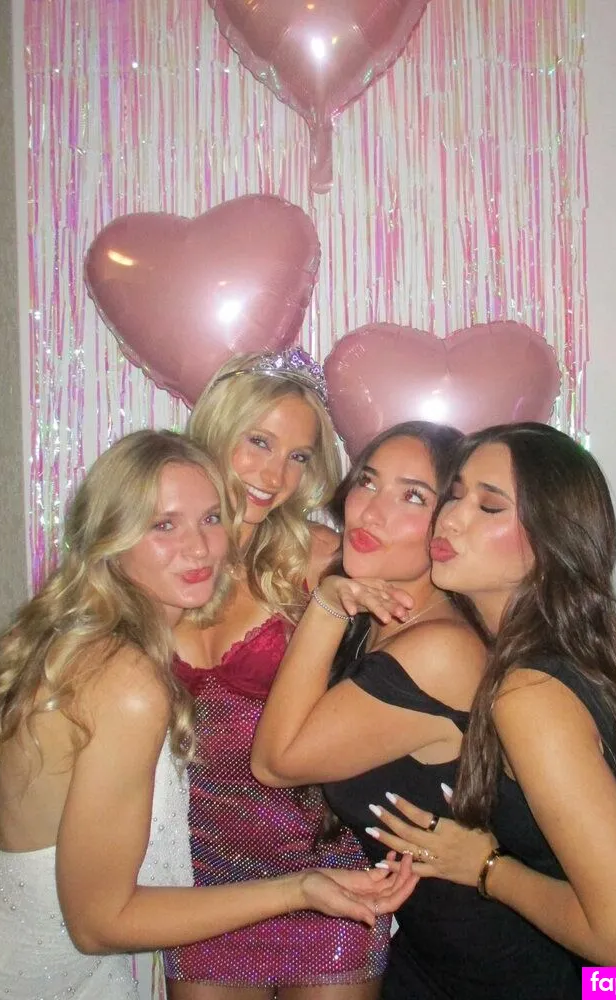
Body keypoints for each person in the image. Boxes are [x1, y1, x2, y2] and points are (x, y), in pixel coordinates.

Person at [0, 430, 415, 1000]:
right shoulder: (125, 680)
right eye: (164, 525)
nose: (200, 548)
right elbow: (99, 924)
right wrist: (299, 890)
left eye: (210, 519)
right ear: (109, 537)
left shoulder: (101, 642)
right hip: (10, 983)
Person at [369, 422, 616, 994]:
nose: (451, 518)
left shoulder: (529, 695)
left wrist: (486, 867)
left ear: (551, 538)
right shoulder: (605, 635)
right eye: (455, 494)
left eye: (490, 507)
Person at [163, 350, 394, 1000]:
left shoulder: (324, 559)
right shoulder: (158, 557)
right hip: (204, 882)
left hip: (328, 876)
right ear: (214, 433)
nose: (276, 476)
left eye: (298, 456)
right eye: (258, 442)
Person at [251, 420, 497, 1000]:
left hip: (500, 967)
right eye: (367, 481)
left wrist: (326, 605)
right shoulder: (386, 617)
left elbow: (275, 762)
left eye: (413, 496)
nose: (371, 512)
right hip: (428, 952)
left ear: (447, 524)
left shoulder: (439, 649)